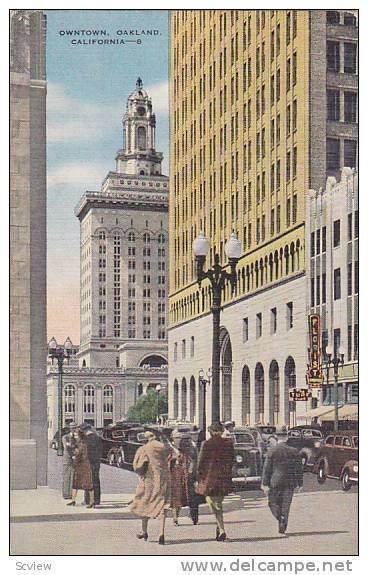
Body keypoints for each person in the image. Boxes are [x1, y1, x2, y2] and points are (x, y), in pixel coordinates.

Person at [130, 430, 172, 545]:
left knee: (145, 502)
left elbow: (137, 466)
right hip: (164, 478)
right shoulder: (164, 447)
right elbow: (173, 455)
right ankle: (161, 533)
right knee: (162, 504)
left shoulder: (144, 448)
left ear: (146, 438)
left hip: (149, 479)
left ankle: (144, 531)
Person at [196, 422, 234, 542]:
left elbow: (201, 462)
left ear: (211, 431)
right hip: (223, 479)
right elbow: (232, 461)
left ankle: (221, 529)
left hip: (209, 479)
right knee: (218, 503)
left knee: (213, 504)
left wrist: (199, 476)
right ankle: (220, 529)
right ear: (222, 431)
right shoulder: (228, 444)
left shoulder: (206, 444)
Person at [261, 436, 303, 534]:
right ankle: (283, 523)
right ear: (287, 438)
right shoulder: (294, 451)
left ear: (277, 438)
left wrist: (264, 483)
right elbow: (299, 468)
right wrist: (300, 483)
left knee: (272, 503)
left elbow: (267, 468)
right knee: (286, 505)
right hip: (290, 482)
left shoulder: (272, 450)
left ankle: (280, 517)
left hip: (275, 482)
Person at [170, 431, 199, 526]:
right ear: (173, 438)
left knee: (189, 498)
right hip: (175, 477)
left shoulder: (187, 448)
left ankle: (194, 516)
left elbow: (193, 460)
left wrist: (192, 470)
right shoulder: (170, 449)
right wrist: (173, 459)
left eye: (180, 437)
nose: (179, 439)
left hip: (187, 476)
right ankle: (175, 518)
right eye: (177, 437)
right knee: (176, 498)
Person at [66, 429, 94, 508]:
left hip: (84, 465)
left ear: (80, 435)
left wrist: (74, 454)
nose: (75, 437)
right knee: (75, 483)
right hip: (79, 465)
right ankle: (73, 500)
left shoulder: (82, 443)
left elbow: (80, 453)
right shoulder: (78, 443)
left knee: (88, 484)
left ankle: (92, 501)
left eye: (76, 435)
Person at [82, 424, 103, 507]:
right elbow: (101, 450)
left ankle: (88, 500)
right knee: (96, 480)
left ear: (84, 430)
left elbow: (84, 451)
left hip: (88, 462)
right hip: (96, 462)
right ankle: (97, 500)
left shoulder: (85, 439)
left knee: (88, 481)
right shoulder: (98, 438)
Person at [62, 422, 77, 500]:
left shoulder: (77, 437)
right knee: (66, 476)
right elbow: (67, 447)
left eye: (75, 427)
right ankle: (65, 494)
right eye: (72, 427)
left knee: (73, 476)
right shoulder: (65, 437)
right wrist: (73, 455)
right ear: (70, 428)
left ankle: (71, 494)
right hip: (67, 459)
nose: (74, 429)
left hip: (75, 459)